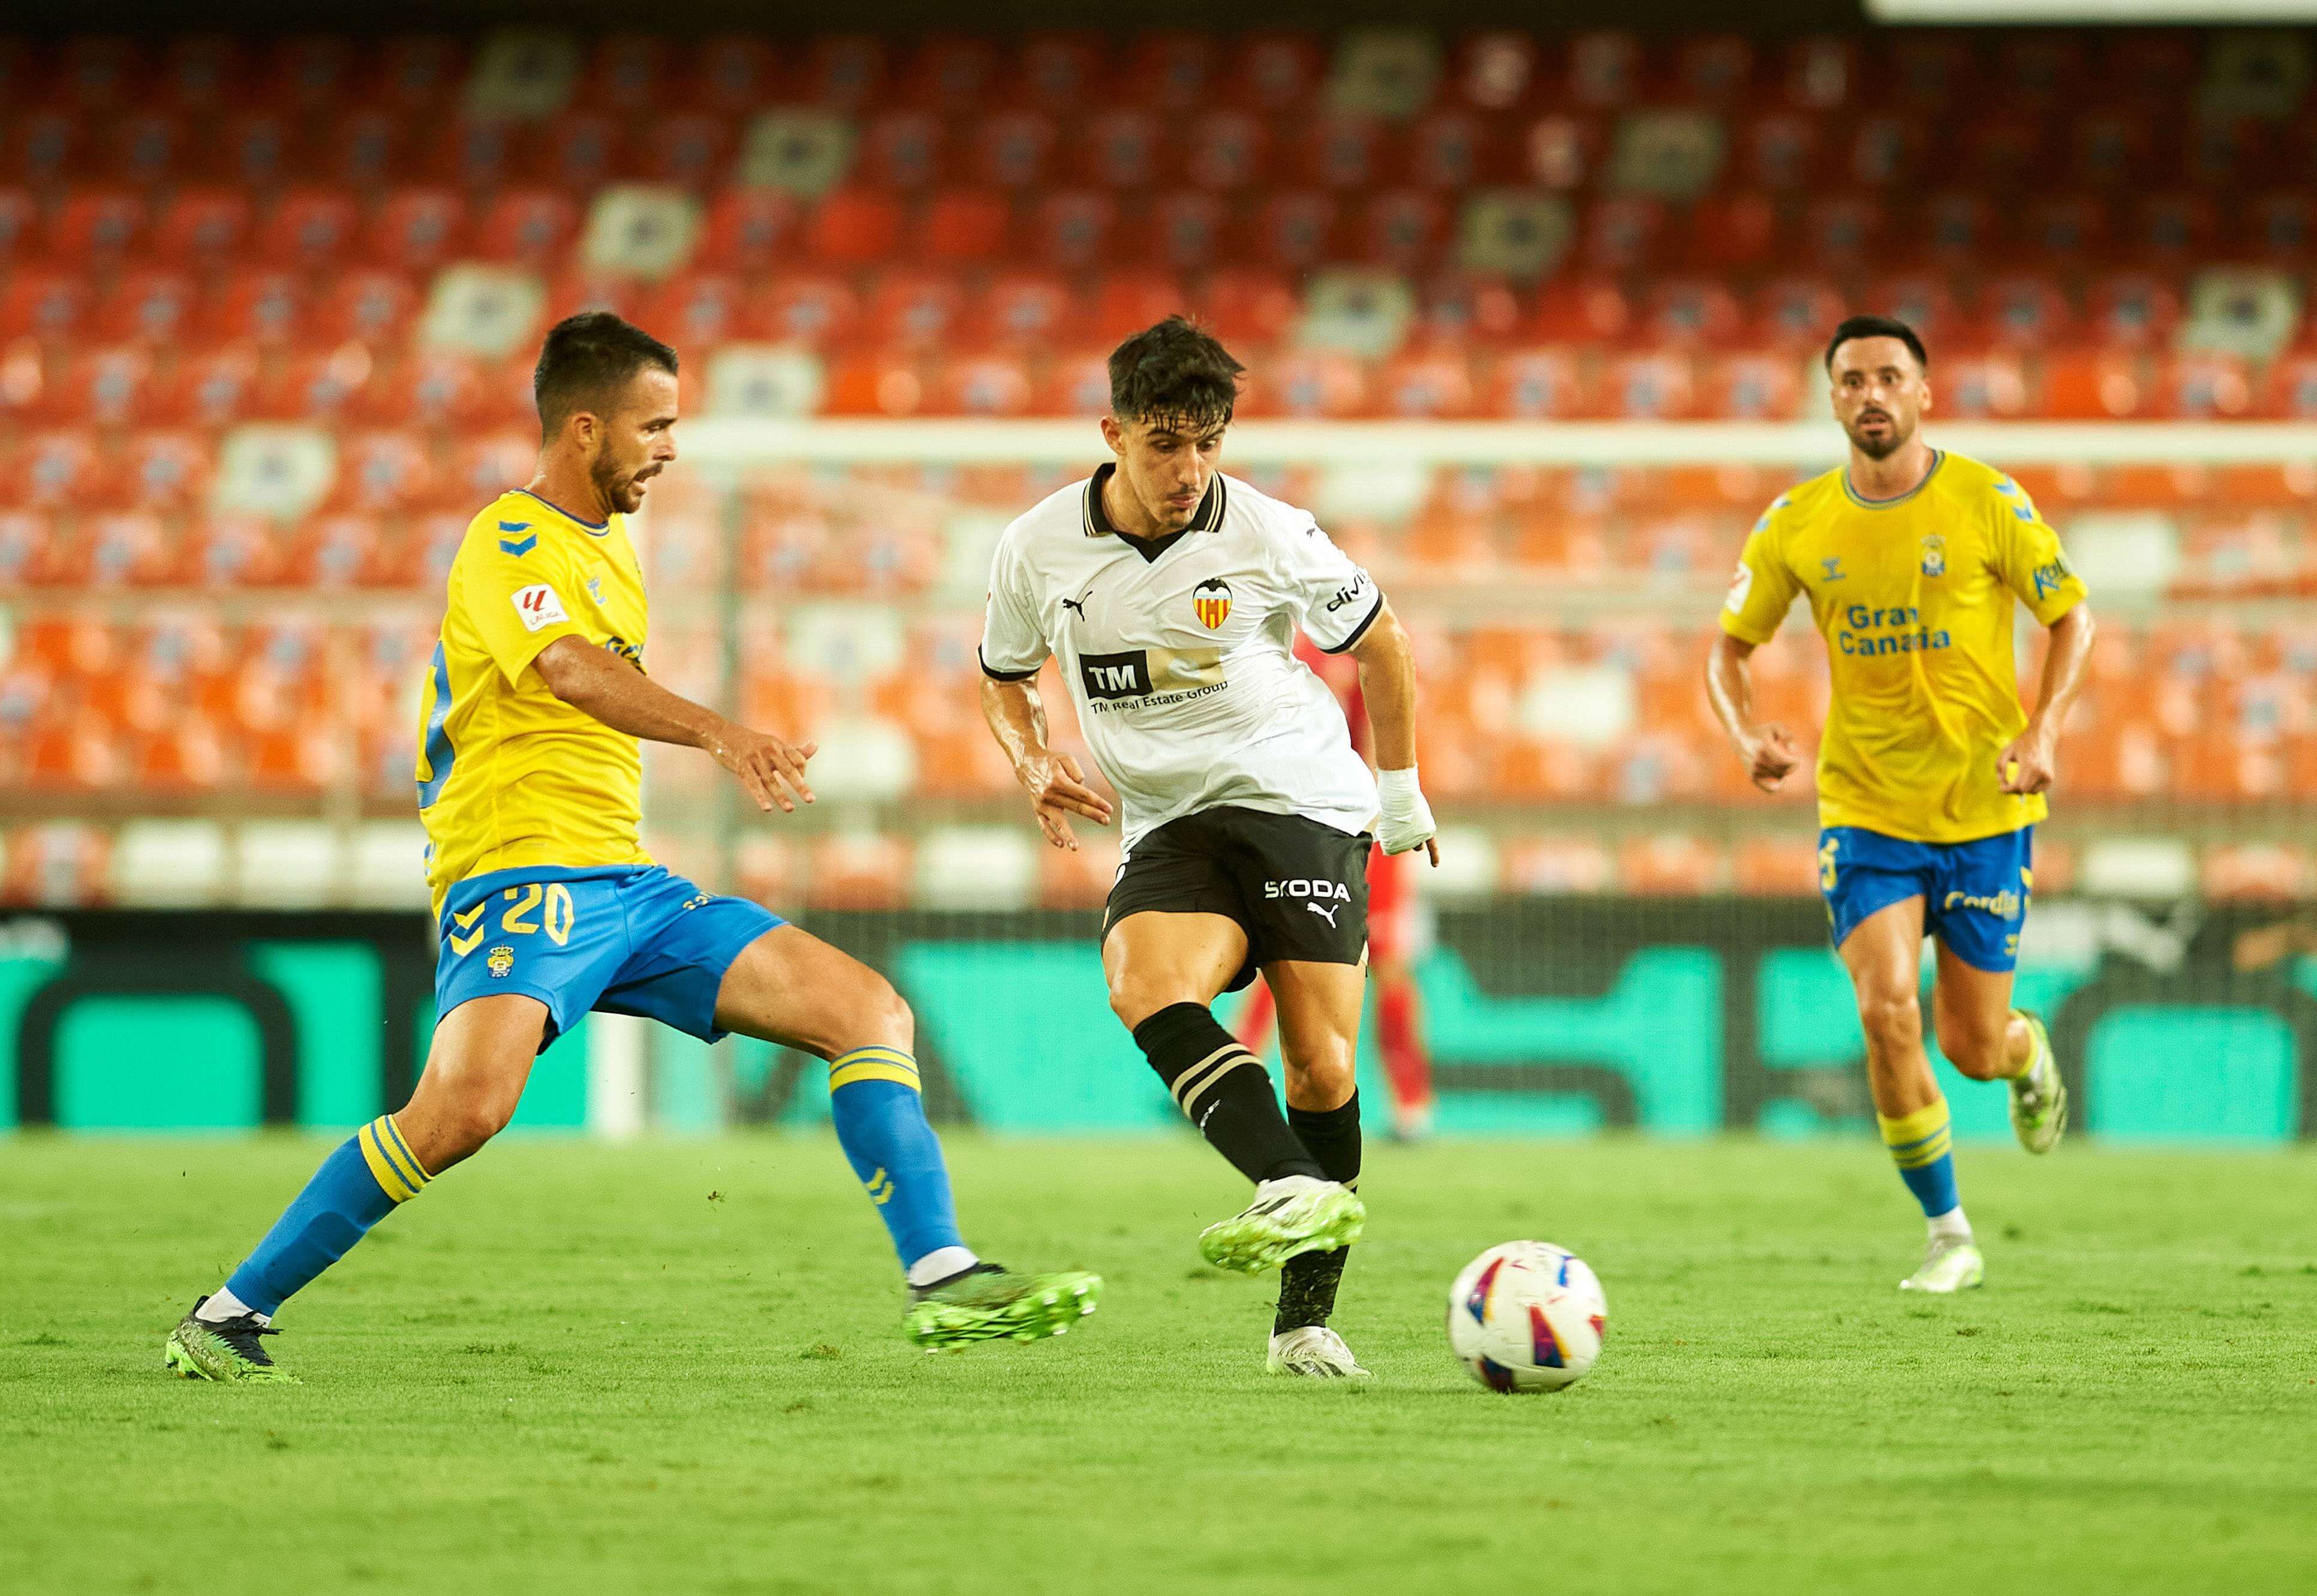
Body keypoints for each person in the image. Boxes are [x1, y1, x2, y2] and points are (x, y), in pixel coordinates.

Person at [166, 312, 1098, 1383]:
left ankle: (941, 1274)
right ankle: (226, 1314)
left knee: (867, 1011)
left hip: (629, 887)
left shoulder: (609, 545)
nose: (670, 448)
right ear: (584, 427)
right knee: (462, 1112)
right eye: (654, 426)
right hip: (522, 873)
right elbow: (567, 669)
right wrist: (720, 732)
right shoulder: (509, 540)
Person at [978, 317, 1437, 1377]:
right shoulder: (1036, 546)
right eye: (1164, 444)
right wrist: (1030, 756)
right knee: (1140, 982)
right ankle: (1288, 1180)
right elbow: (1003, 672)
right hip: (1170, 820)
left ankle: (1303, 1324)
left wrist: (1402, 791)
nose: (1189, 470)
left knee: (1321, 1066)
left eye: (1208, 443)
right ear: (1114, 434)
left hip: (1298, 801)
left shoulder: (1271, 532)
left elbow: (1383, 641)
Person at [1705, 314, 2094, 1294]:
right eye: (1851, 380)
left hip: (1984, 808)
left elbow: (2071, 617)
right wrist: (1745, 732)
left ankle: (2024, 1051)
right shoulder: (1797, 521)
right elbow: (1728, 648)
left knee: (1971, 1047)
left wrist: (2044, 729)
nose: (1870, 393)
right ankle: (1948, 1232)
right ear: (1833, 399)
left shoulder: (1987, 500)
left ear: (1923, 392)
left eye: (1888, 376)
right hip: (1866, 810)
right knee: (1885, 1010)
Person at [1231, 642, 1437, 1140]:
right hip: (1311, 823)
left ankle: (1412, 1104)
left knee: (1386, 964)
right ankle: (1238, 1080)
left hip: (1369, 828)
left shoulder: (1370, 646)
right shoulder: (1293, 647)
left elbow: (1389, 733)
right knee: (1285, 948)